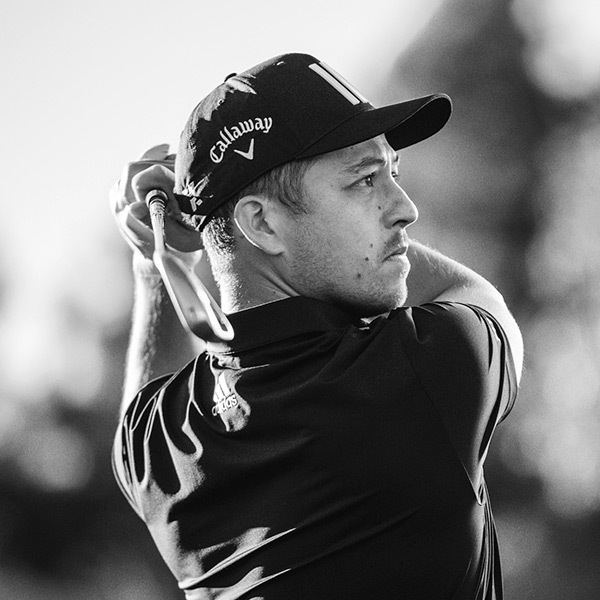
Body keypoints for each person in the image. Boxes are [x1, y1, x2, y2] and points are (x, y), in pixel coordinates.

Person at [111, 53, 523, 600]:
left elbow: (139, 412)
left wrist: (154, 262)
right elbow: (485, 302)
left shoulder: (159, 443)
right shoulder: (423, 368)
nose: (405, 209)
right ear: (262, 223)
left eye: (393, 173)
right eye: (365, 180)